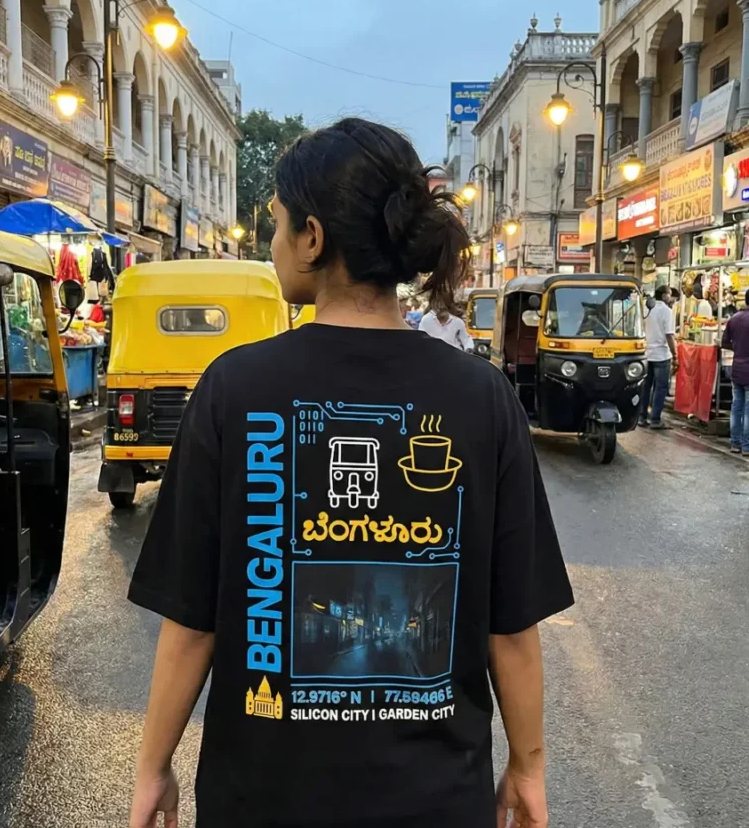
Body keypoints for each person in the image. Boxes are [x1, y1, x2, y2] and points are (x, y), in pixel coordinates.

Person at [127, 118, 574, 828]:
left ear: (312, 237)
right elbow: (512, 628)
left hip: (260, 801)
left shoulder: (234, 388)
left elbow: (191, 624)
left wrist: (154, 766)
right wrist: (528, 766)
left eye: (276, 223)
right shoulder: (482, 397)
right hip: (435, 802)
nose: (272, 243)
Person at [639, 284, 677, 429]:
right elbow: (669, 335)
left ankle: (642, 417)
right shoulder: (666, 311)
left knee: (646, 386)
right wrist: (675, 355)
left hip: (646, 353)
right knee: (661, 388)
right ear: (664, 296)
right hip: (661, 355)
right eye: (670, 295)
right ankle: (655, 419)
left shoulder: (645, 307)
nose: (671, 298)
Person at [722, 288, 749, 455]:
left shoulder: (734, 318)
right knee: (747, 408)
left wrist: (737, 348)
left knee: (737, 406)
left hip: (736, 367)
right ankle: (746, 446)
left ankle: (735, 443)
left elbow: (724, 342)